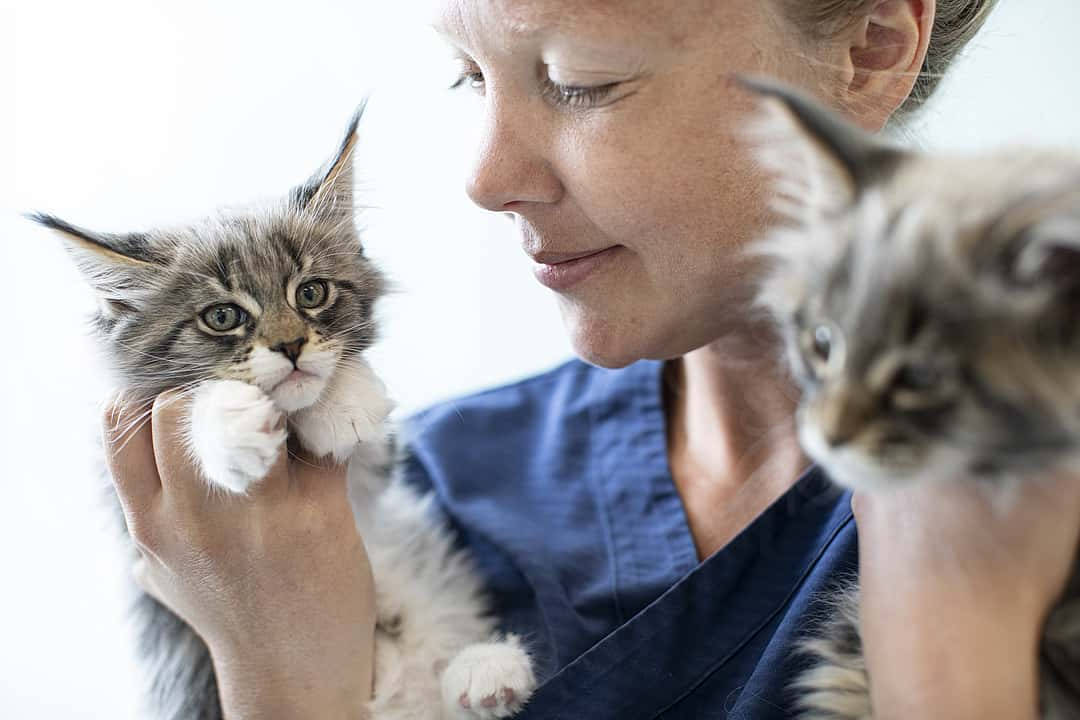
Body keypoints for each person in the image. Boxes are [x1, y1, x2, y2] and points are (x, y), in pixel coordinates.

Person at [104, 1, 1080, 718]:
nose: (485, 180)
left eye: (581, 82)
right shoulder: (420, 487)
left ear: (869, 55)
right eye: (468, 78)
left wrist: (960, 617)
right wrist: (277, 669)